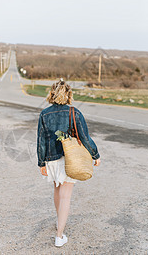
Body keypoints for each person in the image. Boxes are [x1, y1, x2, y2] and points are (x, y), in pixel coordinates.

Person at [37, 79, 101, 247]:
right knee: (66, 196)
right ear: (69, 94)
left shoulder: (44, 114)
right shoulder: (75, 112)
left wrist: (41, 163)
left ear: (51, 93)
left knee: (57, 190)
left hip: (51, 159)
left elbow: (41, 141)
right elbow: (85, 138)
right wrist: (96, 155)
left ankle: (60, 223)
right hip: (69, 159)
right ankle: (59, 236)